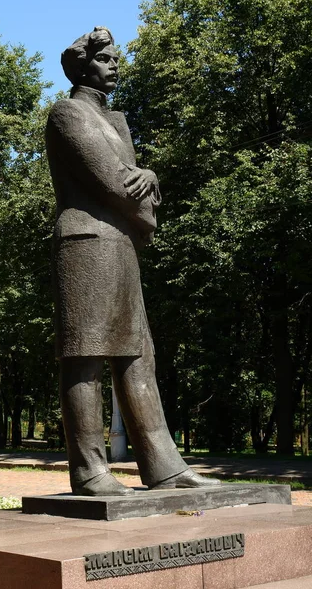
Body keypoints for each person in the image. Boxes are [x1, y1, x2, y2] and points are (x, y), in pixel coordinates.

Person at [46, 26, 220, 496]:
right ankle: (89, 470)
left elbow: (133, 181)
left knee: (138, 354)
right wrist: (145, 197)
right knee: (86, 354)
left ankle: (164, 465)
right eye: (105, 59)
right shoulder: (68, 113)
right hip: (85, 243)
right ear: (83, 67)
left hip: (120, 242)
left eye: (116, 59)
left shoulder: (116, 120)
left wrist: (151, 175)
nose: (115, 66)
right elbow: (111, 180)